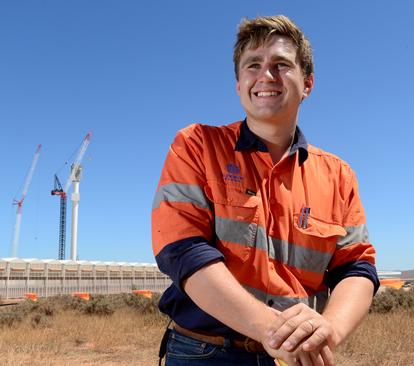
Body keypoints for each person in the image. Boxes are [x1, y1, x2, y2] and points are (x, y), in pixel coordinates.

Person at [152, 14, 379, 366]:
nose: (265, 76)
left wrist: (328, 331)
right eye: (253, 65)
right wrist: (272, 330)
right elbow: (183, 251)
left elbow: (357, 269)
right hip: (204, 352)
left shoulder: (338, 175)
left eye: (281, 64)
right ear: (239, 83)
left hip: (300, 354)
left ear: (308, 83)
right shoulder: (196, 145)